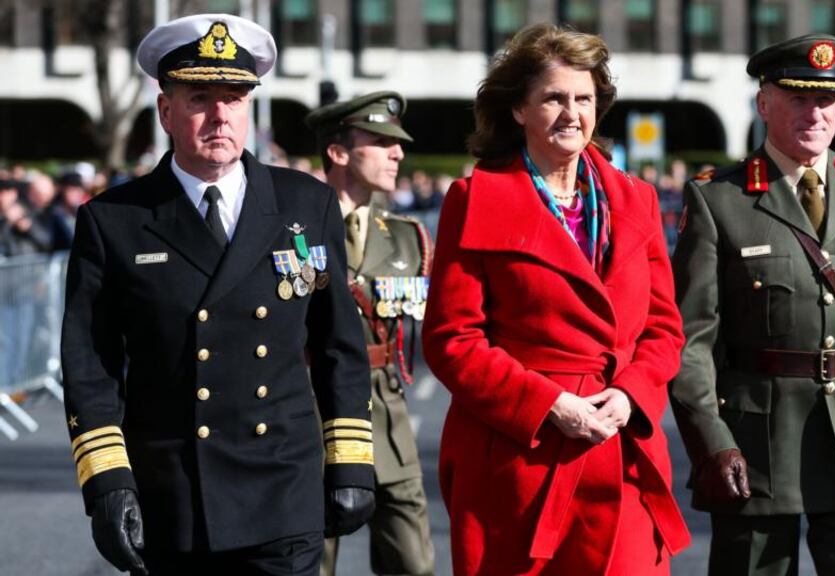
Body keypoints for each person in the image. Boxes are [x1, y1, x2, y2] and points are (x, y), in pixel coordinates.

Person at [60, 14, 375, 575]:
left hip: (282, 487)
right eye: (200, 97)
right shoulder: (115, 221)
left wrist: (350, 462)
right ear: (166, 111)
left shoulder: (306, 205)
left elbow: (339, 345)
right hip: (174, 495)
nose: (220, 115)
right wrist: (107, 481)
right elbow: (91, 364)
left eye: (235, 97)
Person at [422, 24, 690, 575]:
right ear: (519, 110)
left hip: (620, 451)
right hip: (519, 459)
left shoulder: (636, 199)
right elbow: (452, 340)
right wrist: (549, 405)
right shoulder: (474, 199)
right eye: (554, 98)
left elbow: (663, 329)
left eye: (585, 98)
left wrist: (632, 395)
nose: (573, 113)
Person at [670, 34, 835, 576]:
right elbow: (691, 344)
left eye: (826, 99)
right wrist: (711, 441)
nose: (815, 113)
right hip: (758, 442)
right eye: (798, 98)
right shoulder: (720, 199)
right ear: (764, 103)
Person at [307, 91, 436, 576]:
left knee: (413, 564)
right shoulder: (295, 230)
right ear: (339, 152)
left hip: (388, 416)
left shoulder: (408, 236)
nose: (397, 153)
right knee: (312, 563)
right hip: (315, 414)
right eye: (381, 141)